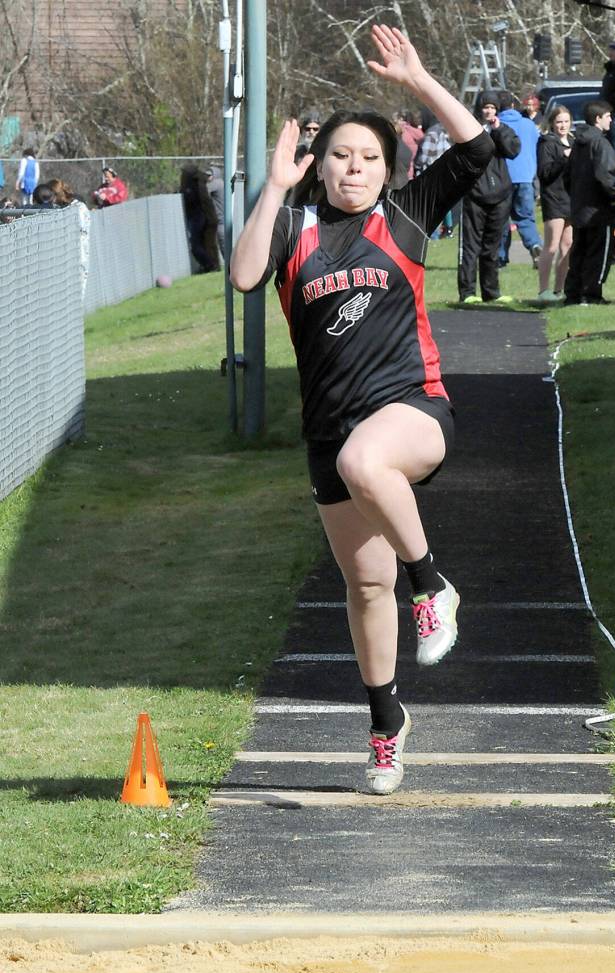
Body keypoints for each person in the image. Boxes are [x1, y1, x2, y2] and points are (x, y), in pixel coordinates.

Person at [230, 24, 492, 796]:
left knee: (366, 464)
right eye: (341, 154)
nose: (354, 167)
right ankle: (385, 724)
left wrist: (417, 82)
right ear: (321, 163)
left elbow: (479, 152)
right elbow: (245, 277)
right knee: (363, 584)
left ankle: (432, 584)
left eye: (370, 157)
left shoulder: (406, 215)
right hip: (328, 430)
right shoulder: (293, 226)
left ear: (390, 167)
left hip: (413, 410)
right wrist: (275, 184)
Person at [458, 88, 520, 303]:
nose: (489, 111)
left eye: (493, 107)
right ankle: (467, 292)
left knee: (492, 246)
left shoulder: (503, 129)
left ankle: (491, 292)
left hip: (500, 194)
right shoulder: (469, 129)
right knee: (470, 246)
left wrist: (499, 130)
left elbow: (513, 150)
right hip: (475, 194)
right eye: (485, 107)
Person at [563, 100, 615, 305]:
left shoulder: (578, 142)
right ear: (598, 119)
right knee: (598, 253)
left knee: (579, 252)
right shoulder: (600, 143)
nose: (611, 120)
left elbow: (567, 176)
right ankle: (591, 294)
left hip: (580, 207)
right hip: (598, 209)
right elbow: (605, 176)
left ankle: (573, 293)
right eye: (608, 116)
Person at [497, 92, 542, 268]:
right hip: (525, 177)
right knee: (526, 217)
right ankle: (535, 245)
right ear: (514, 106)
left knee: (501, 220)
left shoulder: (497, 126)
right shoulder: (528, 125)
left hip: (503, 177)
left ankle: (500, 257)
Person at [536, 105, 574, 303]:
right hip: (554, 198)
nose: (563, 125)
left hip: (570, 198)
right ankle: (543, 290)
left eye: (566, 121)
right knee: (551, 245)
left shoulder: (573, 141)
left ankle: (560, 289)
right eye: (559, 122)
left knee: (568, 245)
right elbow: (545, 173)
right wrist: (563, 159)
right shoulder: (546, 143)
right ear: (552, 123)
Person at [48, 178, 92, 297]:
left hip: (78, 254)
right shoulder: (58, 208)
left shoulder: (77, 207)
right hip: (65, 255)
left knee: (78, 290)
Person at [414, 107, 454, 237]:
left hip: (430, 174)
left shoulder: (431, 134)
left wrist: (416, 164)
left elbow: (424, 156)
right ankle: (449, 228)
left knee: (430, 206)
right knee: (443, 204)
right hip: (442, 172)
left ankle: (433, 234)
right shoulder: (442, 132)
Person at [180, 164, 219, 273]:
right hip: (204, 216)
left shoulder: (192, 186)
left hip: (199, 216)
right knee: (206, 243)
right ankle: (211, 265)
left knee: (197, 245)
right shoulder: (200, 182)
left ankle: (210, 264)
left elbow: (195, 200)